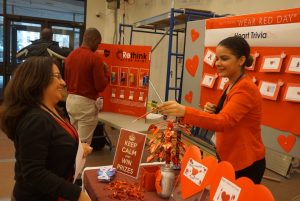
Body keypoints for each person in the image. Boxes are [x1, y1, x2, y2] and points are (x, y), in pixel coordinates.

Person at [158, 36, 266, 184]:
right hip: (229, 156)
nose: (218, 63)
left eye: (224, 59)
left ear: (241, 60)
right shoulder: (231, 84)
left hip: (244, 162)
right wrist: (215, 110)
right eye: (217, 58)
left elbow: (223, 121)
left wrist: (185, 111)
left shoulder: (245, 88)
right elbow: (231, 115)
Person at [0, 57, 92, 201]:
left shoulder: (52, 109)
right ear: (38, 80)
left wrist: (79, 149)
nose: (63, 82)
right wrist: (77, 194)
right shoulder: (35, 120)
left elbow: (53, 145)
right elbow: (34, 172)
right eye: (57, 77)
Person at [64, 27, 110, 145]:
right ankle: (77, 163)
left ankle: (71, 162)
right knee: (83, 145)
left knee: (73, 139)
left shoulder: (70, 56)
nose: (98, 46)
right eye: (98, 43)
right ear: (94, 40)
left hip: (70, 101)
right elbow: (100, 86)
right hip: (85, 104)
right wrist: (106, 73)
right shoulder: (95, 59)